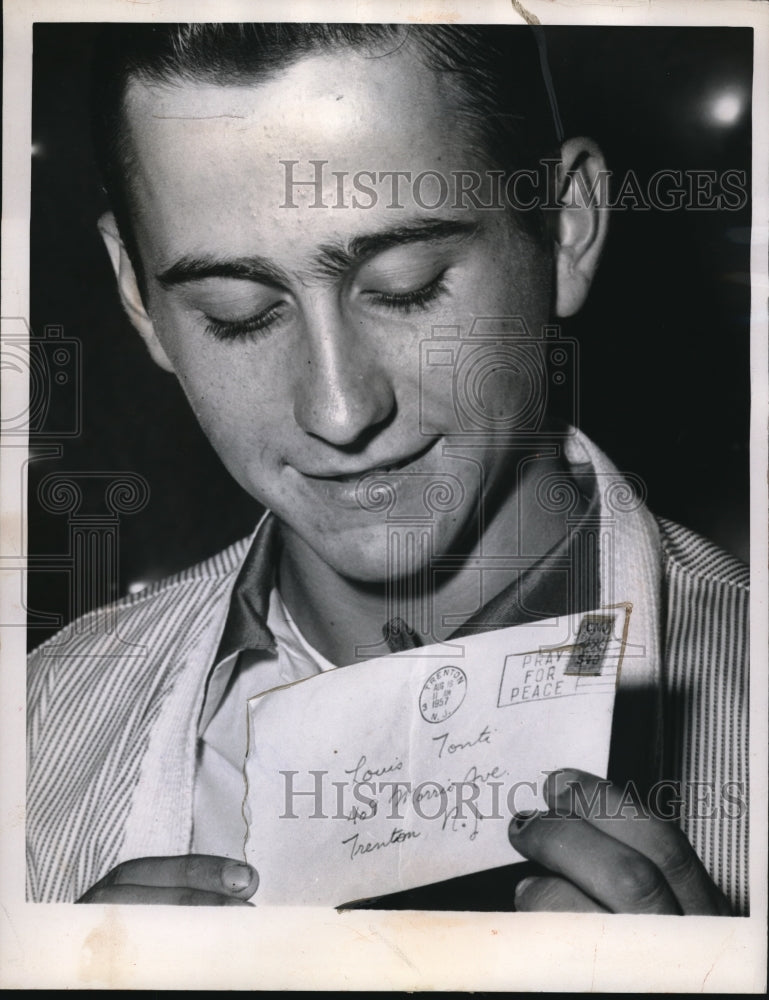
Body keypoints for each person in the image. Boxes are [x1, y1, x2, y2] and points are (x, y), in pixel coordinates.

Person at [26, 23, 748, 914]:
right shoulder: (37, 727)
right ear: (138, 296)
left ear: (566, 225)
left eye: (405, 286)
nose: (338, 410)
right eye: (239, 313)